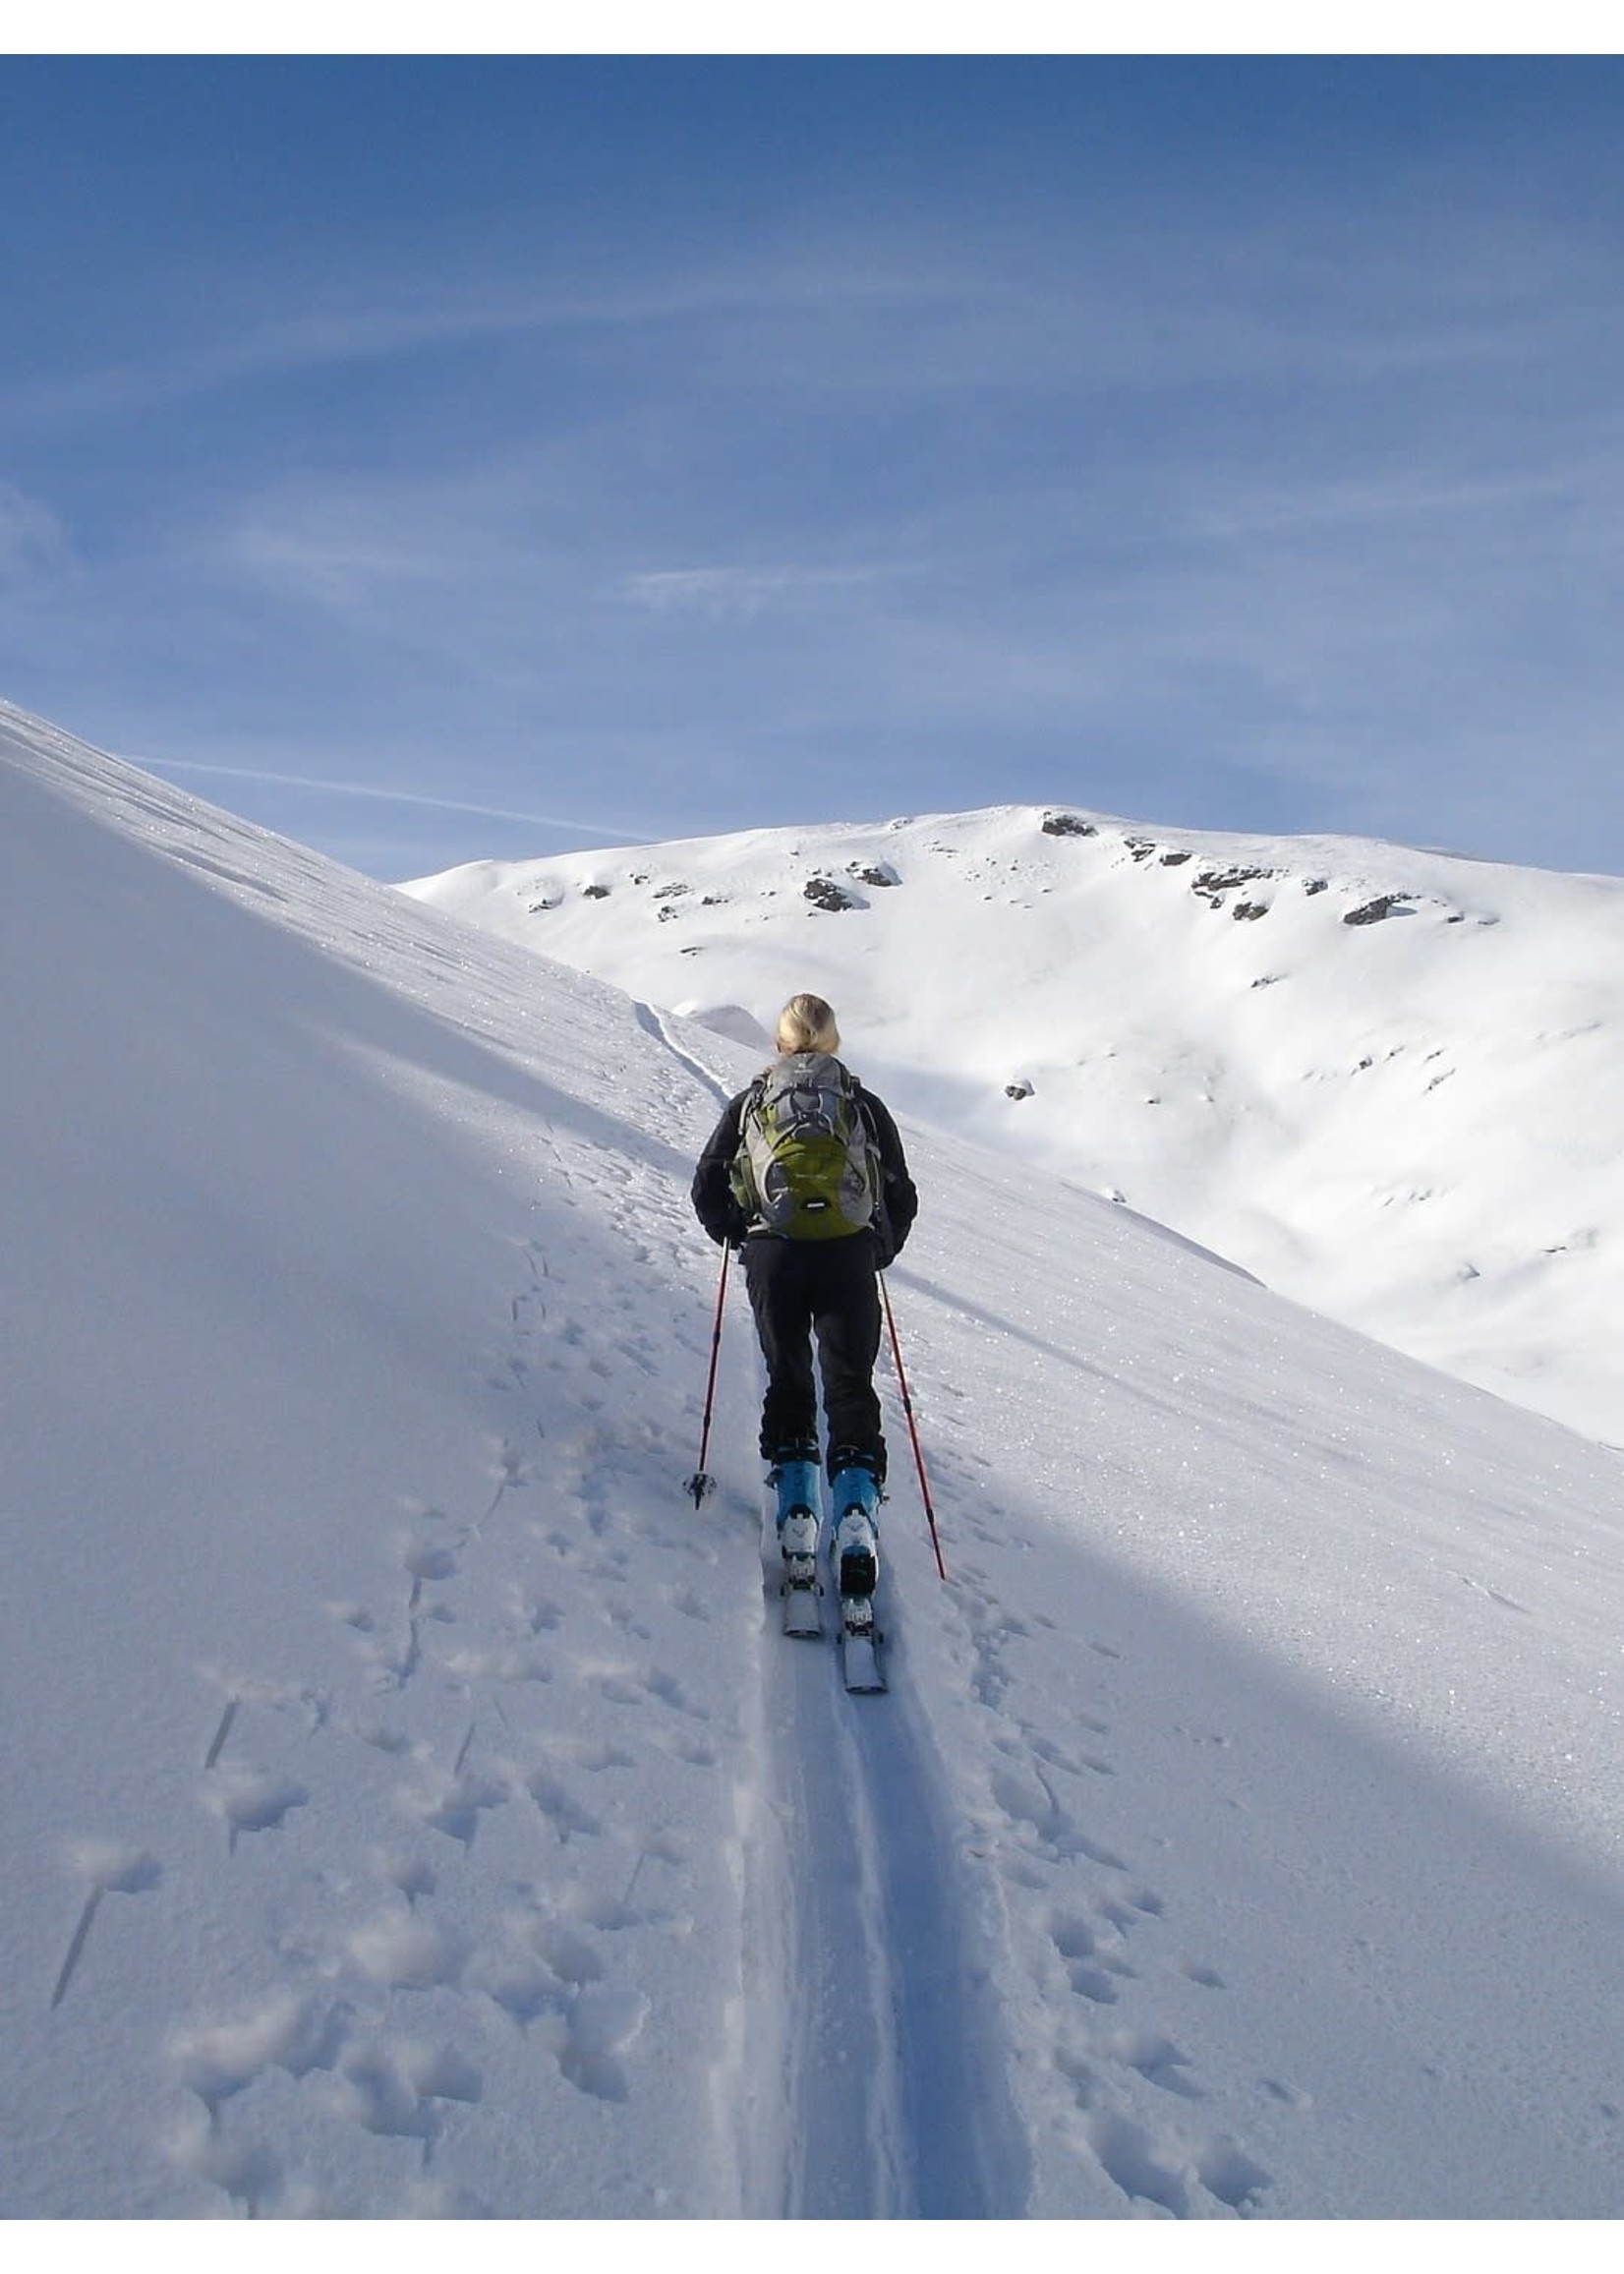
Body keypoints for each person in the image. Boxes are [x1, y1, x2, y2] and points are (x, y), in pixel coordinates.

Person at [690, 993, 917, 1598]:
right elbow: (900, 1196)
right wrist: (876, 1249)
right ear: (833, 1040)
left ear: (780, 1041)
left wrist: (738, 1234)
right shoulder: (861, 1105)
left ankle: (797, 1514)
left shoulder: (754, 1102)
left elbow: (708, 1185)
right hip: (847, 1255)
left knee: (789, 1378)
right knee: (849, 1384)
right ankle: (856, 1518)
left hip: (775, 1255)